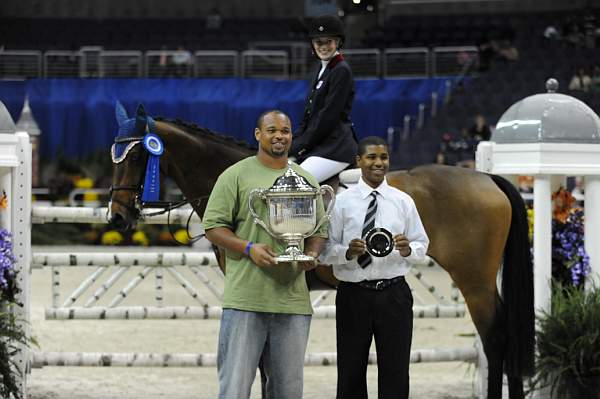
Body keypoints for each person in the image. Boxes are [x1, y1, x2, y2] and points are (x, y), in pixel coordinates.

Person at [202, 110, 328, 399]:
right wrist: (248, 248)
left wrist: (311, 252)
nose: (279, 136)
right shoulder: (235, 175)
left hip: (292, 302)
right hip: (246, 299)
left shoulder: (304, 178)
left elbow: (320, 229)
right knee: (234, 388)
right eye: (271, 130)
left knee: (288, 391)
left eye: (285, 131)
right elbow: (212, 227)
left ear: (291, 136)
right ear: (258, 134)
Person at [320, 136, 429, 399]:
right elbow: (325, 252)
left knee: (396, 370)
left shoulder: (403, 201)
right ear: (359, 162)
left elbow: (422, 245)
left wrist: (406, 249)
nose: (378, 163)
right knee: (350, 370)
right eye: (371, 157)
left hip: (394, 294)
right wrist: (347, 252)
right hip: (353, 294)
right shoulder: (342, 203)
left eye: (383, 157)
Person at [289, 14, 358, 183]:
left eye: (329, 42)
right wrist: (293, 141)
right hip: (320, 145)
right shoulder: (319, 70)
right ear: (313, 45)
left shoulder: (341, 70)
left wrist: (300, 145)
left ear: (338, 43)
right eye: (319, 42)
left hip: (335, 148)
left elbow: (327, 117)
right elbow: (308, 115)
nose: (324, 47)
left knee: (295, 182)